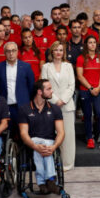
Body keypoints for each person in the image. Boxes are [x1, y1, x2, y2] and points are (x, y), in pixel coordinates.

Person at [18, 79, 65, 194]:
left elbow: (61, 132)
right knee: (39, 145)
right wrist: (35, 146)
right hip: (32, 143)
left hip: (49, 143)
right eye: (48, 89)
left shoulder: (55, 109)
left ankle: (42, 182)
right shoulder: (24, 109)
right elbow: (23, 133)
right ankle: (51, 180)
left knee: (46, 146)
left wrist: (54, 147)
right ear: (39, 92)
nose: (52, 91)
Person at [41, 42, 77, 170]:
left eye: (61, 50)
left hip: (67, 106)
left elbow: (71, 86)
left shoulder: (68, 66)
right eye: (56, 50)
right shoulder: (46, 67)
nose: (58, 52)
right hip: (51, 105)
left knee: (67, 136)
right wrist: (56, 100)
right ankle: (52, 164)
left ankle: (67, 164)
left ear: (64, 52)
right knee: (51, 135)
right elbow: (44, 86)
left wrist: (63, 100)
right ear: (52, 52)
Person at [76, 36, 100, 150]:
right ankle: (90, 138)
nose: (93, 44)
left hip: (98, 90)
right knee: (88, 115)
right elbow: (80, 76)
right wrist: (90, 88)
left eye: (94, 42)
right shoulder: (81, 58)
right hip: (86, 90)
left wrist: (99, 87)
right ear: (86, 45)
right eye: (90, 42)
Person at [0, 41, 35, 124]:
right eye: (8, 51)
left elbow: (31, 87)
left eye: (13, 50)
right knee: (7, 133)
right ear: (4, 53)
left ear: (17, 52)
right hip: (4, 106)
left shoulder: (26, 67)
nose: (11, 53)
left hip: (22, 106)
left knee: (23, 133)